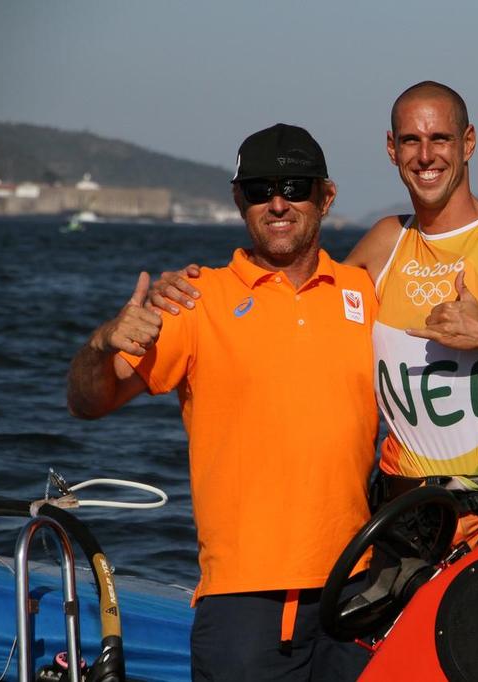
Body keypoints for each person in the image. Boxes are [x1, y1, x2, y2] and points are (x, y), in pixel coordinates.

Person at [152, 81, 478, 548]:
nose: (425, 156)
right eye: (411, 140)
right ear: (392, 149)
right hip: (405, 516)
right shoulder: (384, 244)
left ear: (468, 142)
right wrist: (194, 290)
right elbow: (292, 303)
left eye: (440, 139)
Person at [67, 124, 377, 681]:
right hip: (244, 602)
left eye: (295, 186)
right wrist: (103, 339)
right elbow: (89, 402)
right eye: (259, 190)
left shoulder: (365, 293)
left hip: (357, 590)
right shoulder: (194, 300)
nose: (278, 203)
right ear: (239, 201)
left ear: (325, 196)